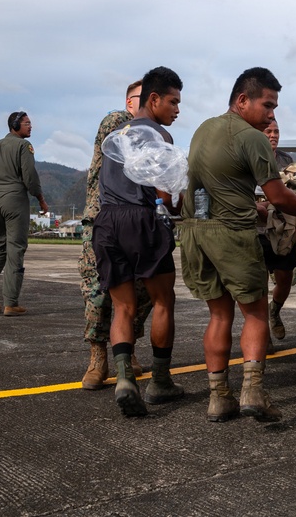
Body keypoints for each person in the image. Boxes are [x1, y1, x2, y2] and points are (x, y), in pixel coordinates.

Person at [180, 67, 296, 423]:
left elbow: (212, 184)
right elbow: (279, 197)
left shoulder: (204, 129)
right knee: (255, 313)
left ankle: (219, 398)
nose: (271, 115)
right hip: (231, 235)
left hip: (194, 233)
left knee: (219, 315)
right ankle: (253, 392)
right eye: (267, 105)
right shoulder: (253, 139)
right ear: (242, 100)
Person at [92, 66, 185, 418]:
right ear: (154, 99)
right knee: (163, 300)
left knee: (123, 306)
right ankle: (160, 382)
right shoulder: (159, 136)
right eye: (173, 102)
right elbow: (166, 191)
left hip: (107, 221)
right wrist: (177, 201)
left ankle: (125, 379)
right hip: (140, 219)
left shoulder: (117, 133)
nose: (177, 109)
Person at [78, 81, 153, 389]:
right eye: (143, 99)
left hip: (136, 219)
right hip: (102, 218)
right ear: (129, 102)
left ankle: (127, 350)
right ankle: (98, 358)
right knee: (97, 291)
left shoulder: (152, 135)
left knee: (141, 291)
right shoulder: (117, 121)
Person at [0, 111, 49, 316]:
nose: (30, 126)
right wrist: (40, 198)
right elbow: (30, 176)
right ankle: (11, 302)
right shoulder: (24, 147)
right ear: (15, 126)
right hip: (15, 200)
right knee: (16, 248)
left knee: (0, 248)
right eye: (26, 123)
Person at [259, 118, 296, 342]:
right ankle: (261, 335)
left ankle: (274, 310)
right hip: (258, 227)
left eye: (276, 131)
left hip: (284, 227)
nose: (273, 135)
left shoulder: (286, 160)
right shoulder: (249, 156)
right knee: (259, 282)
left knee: (285, 279)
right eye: (268, 131)